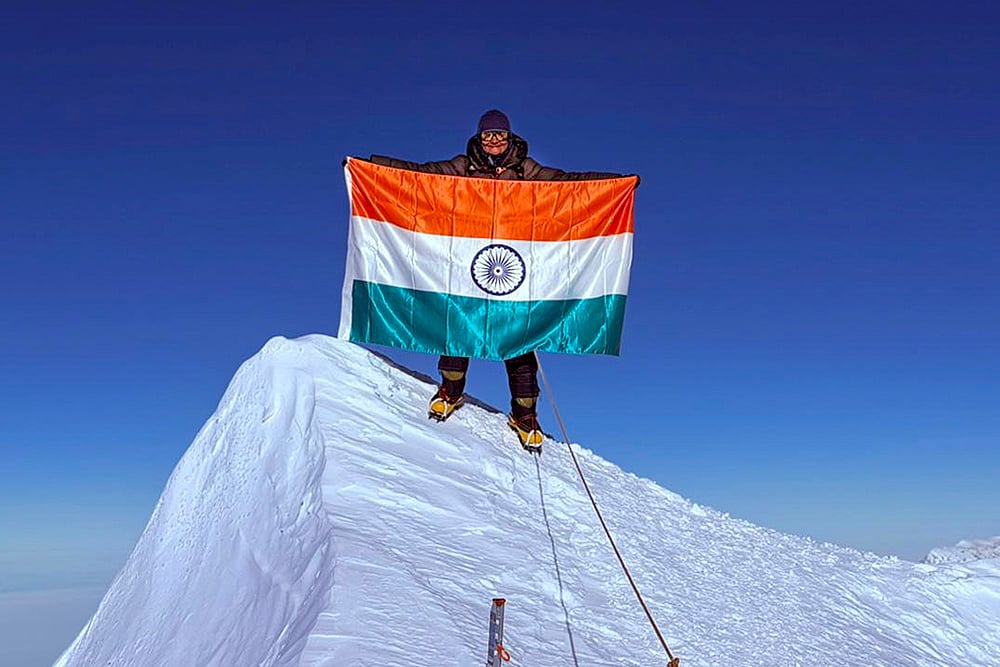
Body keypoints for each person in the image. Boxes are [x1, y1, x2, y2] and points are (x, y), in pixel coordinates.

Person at [368, 109, 627, 451]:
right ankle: (451, 390)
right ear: (479, 137)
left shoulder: (527, 170)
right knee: (457, 328)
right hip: (468, 263)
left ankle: (524, 414)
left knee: (519, 340)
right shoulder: (462, 166)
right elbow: (421, 176)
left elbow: (567, 184)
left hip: (513, 268)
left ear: (509, 137)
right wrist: (372, 166)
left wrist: (615, 183)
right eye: (488, 136)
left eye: (499, 135)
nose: (494, 142)